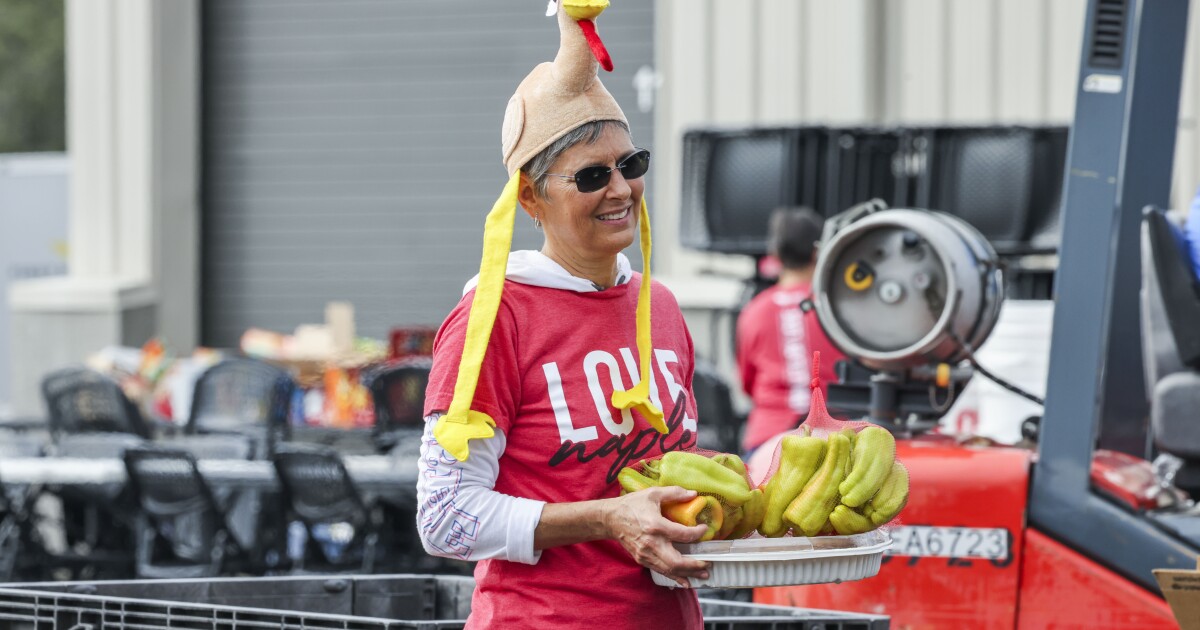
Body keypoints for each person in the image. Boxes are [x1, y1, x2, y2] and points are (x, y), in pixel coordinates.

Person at [416, 3, 707, 628]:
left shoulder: (661, 306)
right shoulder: (493, 319)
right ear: (530, 197)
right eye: (592, 176)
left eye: (631, 165)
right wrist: (604, 518)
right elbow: (444, 517)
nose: (622, 189)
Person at [736, 208, 847, 456]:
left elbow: (747, 383)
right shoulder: (838, 308)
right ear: (818, 252)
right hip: (834, 437)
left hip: (768, 440)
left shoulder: (754, 311)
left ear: (775, 254)